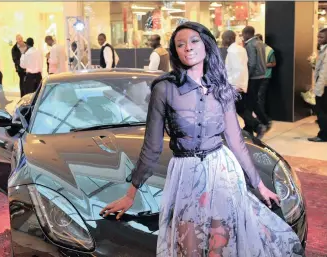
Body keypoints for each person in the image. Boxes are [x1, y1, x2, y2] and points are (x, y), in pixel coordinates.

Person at [100, 22, 303, 256]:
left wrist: (259, 185)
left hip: (221, 171)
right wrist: (130, 194)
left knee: (220, 243)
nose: (188, 48)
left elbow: (236, 141)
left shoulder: (221, 88)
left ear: (206, 45)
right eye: (180, 44)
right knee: (189, 245)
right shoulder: (164, 88)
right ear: (175, 51)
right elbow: (152, 146)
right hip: (186, 174)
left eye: (194, 41)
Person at [222, 30, 263, 138]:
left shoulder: (232, 52)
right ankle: (251, 128)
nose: (222, 41)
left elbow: (236, 70)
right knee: (240, 108)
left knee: (238, 109)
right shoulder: (240, 49)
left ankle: (257, 126)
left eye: (223, 38)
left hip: (235, 85)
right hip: (241, 84)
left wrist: (233, 86)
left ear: (228, 39)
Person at [242, 26, 271, 139]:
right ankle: (257, 124)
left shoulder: (250, 45)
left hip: (253, 76)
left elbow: (252, 63)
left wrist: (247, 75)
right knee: (253, 101)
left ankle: (258, 123)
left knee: (250, 102)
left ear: (246, 34)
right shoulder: (259, 43)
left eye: (243, 34)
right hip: (262, 75)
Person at [308, 28, 327, 142]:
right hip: (323, 85)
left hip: (324, 86)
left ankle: (323, 135)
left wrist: (318, 90)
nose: (319, 39)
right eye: (318, 37)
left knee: (321, 111)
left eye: (321, 37)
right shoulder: (322, 50)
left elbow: (324, 73)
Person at [256, 33, 276, 125]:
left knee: (260, 97)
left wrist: (262, 65)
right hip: (255, 77)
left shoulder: (269, 50)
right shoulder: (252, 49)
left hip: (265, 76)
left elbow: (273, 63)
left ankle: (262, 118)